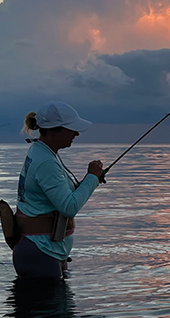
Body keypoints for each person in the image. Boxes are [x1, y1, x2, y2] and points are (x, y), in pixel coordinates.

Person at [12, 102, 105, 281]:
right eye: (71, 129)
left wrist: (91, 180)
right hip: (41, 253)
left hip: (44, 251)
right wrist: (92, 177)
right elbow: (69, 207)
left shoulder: (42, 152)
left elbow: (60, 196)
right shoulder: (46, 162)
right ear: (54, 129)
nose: (76, 134)